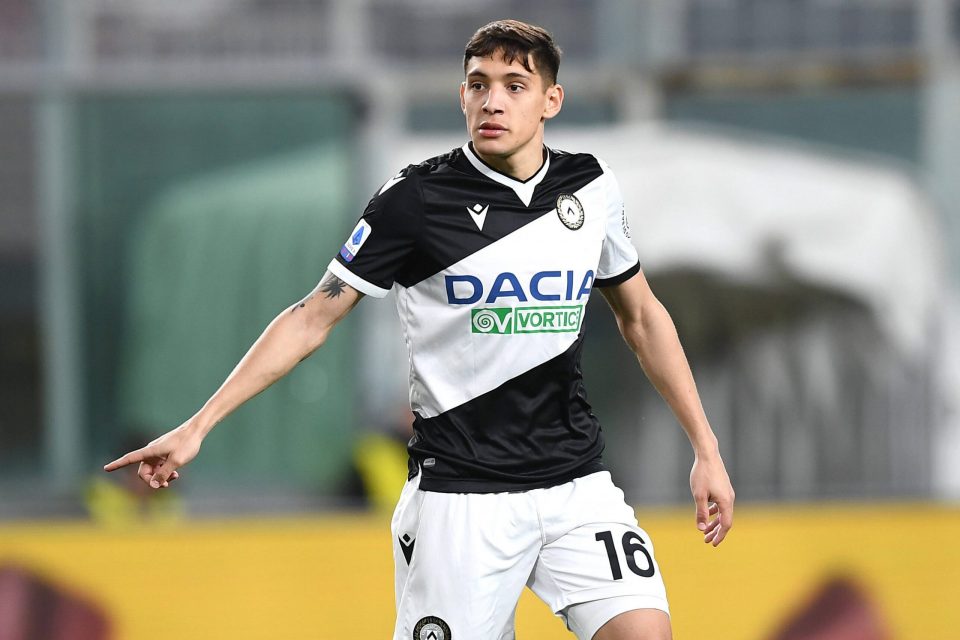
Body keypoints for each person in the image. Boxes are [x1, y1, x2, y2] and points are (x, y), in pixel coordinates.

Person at [104, 19, 735, 640]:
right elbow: (310, 318)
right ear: (461, 95)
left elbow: (642, 316)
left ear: (551, 101)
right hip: (460, 498)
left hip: (575, 483)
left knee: (645, 634)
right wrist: (198, 426)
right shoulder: (415, 200)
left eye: (515, 85)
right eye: (478, 83)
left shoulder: (590, 188)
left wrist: (705, 448)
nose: (492, 100)